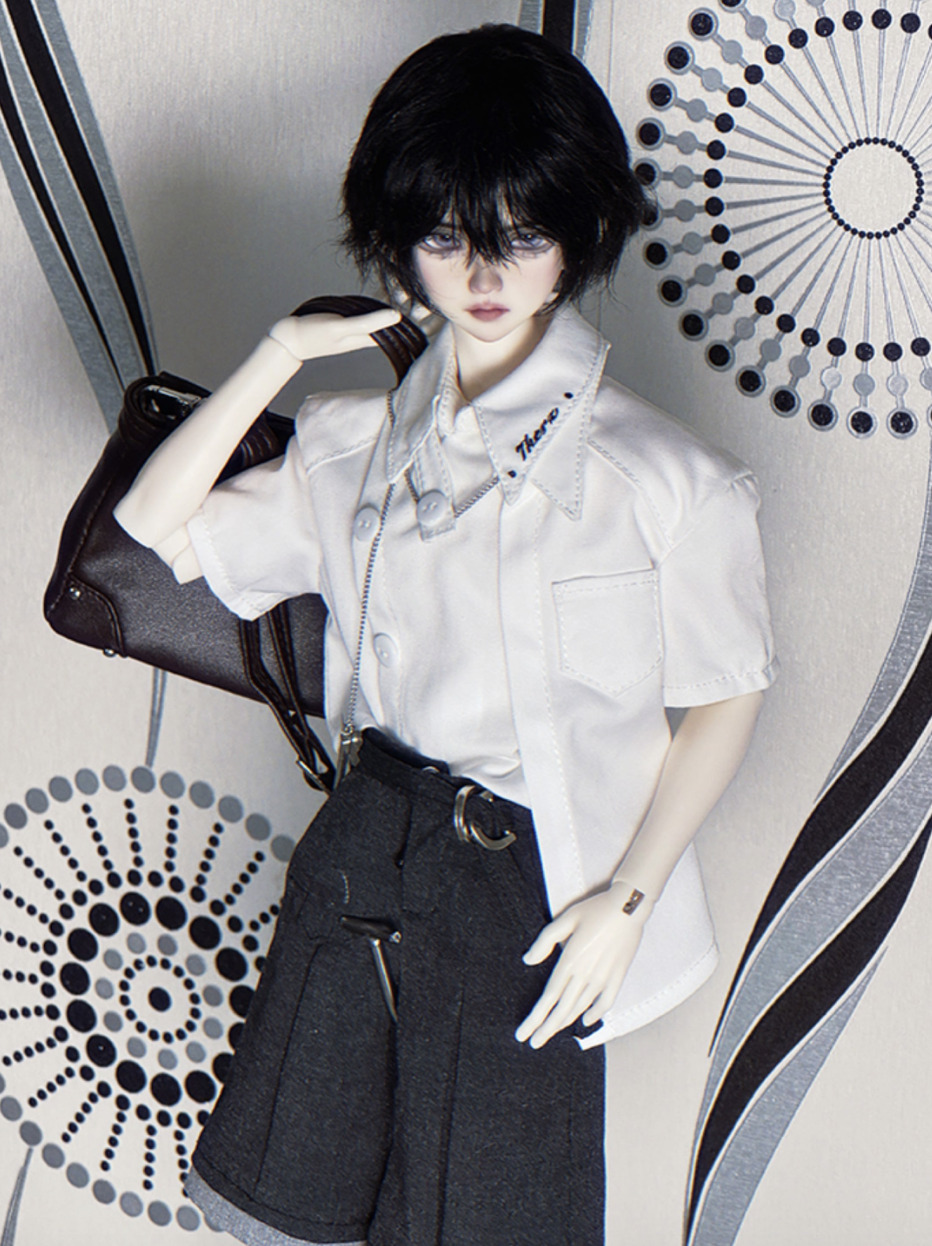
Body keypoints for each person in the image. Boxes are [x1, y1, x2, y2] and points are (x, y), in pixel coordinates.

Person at [115, 23, 776, 1246]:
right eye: (442, 236)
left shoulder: (664, 480)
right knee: (291, 1186)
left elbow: (725, 696)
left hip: (524, 872)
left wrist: (628, 897)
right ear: (397, 240)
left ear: (577, 234)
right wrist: (276, 356)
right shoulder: (351, 442)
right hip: (364, 837)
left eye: (519, 236)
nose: (481, 271)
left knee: (492, 1206)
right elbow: (154, 529)